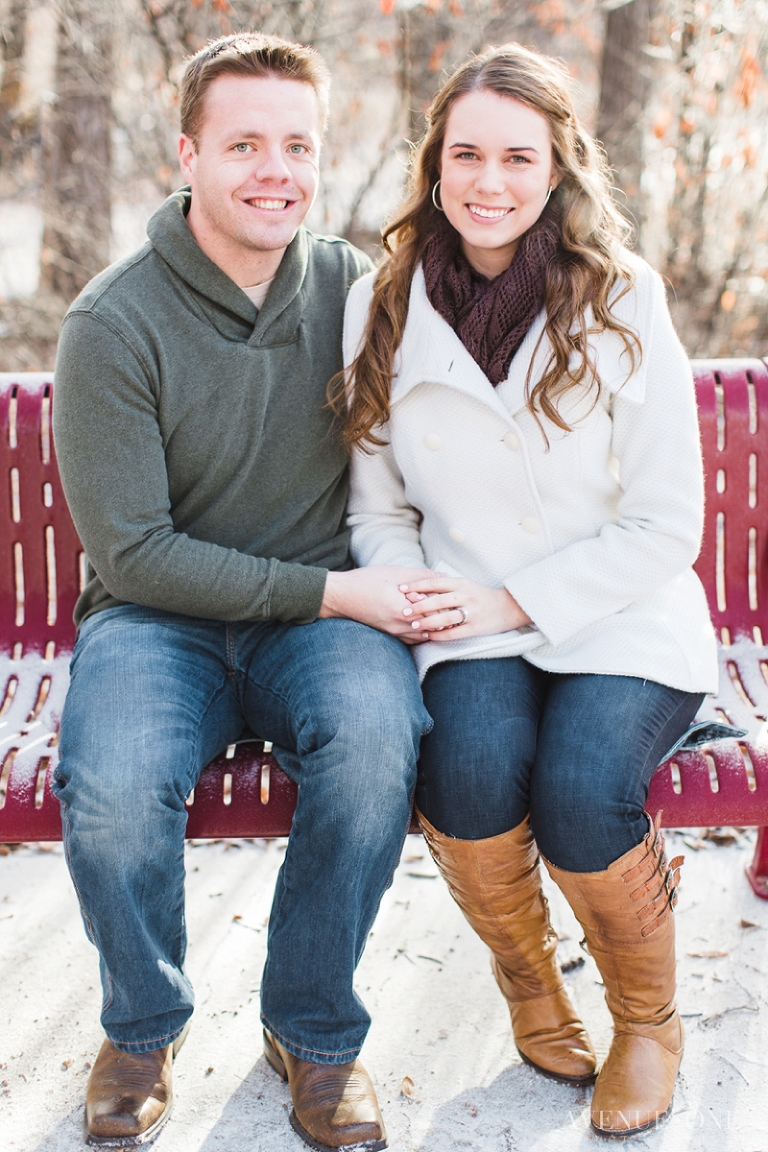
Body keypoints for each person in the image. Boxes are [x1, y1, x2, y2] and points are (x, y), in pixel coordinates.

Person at [52, 32, 433, 1152]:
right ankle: (141, 1026)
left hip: (317, 631)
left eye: (299, 145)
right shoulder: (112, 324)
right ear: (188, 153)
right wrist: (334, 595)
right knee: (114, 788)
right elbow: (133, 556)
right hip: (158, 625)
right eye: (245, 144)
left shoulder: (359, 296)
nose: (278, 170)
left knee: (375, 742)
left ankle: (313, 1034)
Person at [341, 43, 720, 1139]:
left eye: (519, 156)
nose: (490, 181)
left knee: (582, 790)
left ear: (558, 170)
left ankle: (648, 1021)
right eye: (467, 154)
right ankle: (528, 982)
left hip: (618, 611)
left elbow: (665, 524)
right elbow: (377, 505)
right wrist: (410, 593)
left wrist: (517, 603)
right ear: (434, 165)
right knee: (464, 778)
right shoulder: (383, 298)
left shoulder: (623, 296)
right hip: (461, 615)